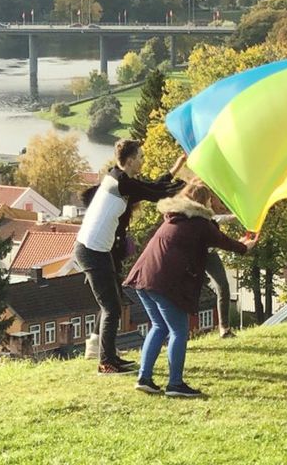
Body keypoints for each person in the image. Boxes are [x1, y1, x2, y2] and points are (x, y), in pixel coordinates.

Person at [124, 179, 255, 397]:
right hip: (163, 283)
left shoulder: (174, 217)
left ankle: (144, 378)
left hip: (142, 277)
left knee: (159, 326)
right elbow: (226, 242)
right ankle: (175, 384)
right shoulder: (200, 223)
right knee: (179, 331)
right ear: (205, 203)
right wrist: (245, 246)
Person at [73, 139, 186, 375]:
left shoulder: (116, 178)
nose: (143, 161)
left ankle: (110, 356)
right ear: (131, 159)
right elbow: (156, 195)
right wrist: (188, 184)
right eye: (141, 157)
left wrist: (174, 173)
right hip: (92, 252)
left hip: (98, 250)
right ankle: (106, 362)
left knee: (113, 304)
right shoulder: (122, 183)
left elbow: (151, 189)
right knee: (112, 308)